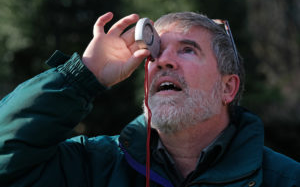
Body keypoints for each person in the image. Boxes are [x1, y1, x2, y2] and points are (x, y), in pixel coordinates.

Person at [0, 11, 299, 187]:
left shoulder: (285, 179)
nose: (162, 61)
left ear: (227, 88)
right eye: (155, 52)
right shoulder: (94, 165)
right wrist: (82, 76)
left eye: (187, 50)